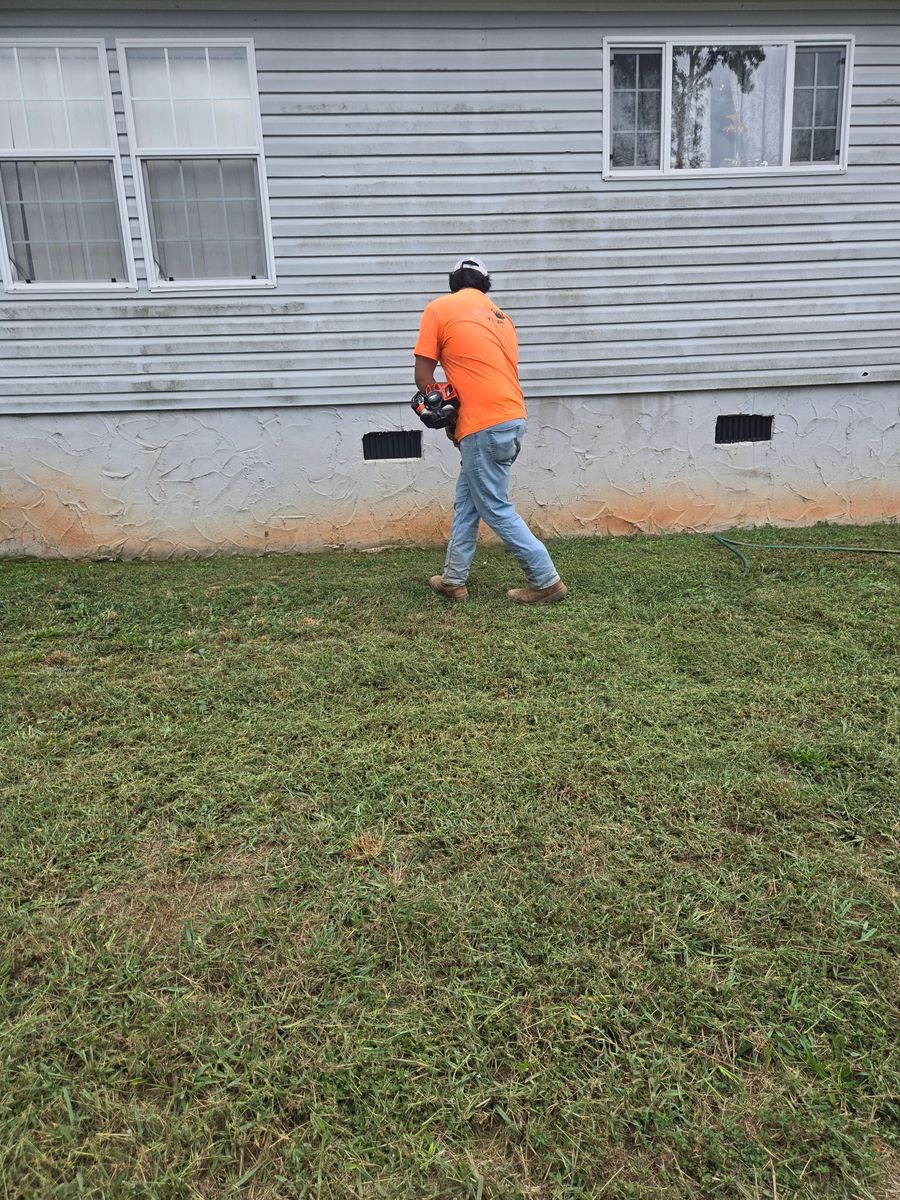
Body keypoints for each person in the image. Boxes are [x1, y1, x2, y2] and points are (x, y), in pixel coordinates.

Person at [414, 257, 567, 604]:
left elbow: (424, 378)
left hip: (483, 423)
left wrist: (443, 413)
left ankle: (546, 581)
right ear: (486, 285)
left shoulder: (439, 308)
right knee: (469, 500)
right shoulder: (503, 318)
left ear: (454, 282)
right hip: (512, 416)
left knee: (495, 506)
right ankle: (453, 579)